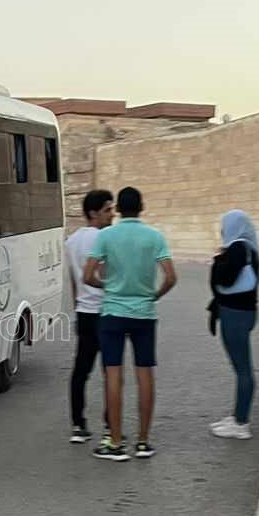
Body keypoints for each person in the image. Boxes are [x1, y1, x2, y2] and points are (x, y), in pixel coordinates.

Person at [83, 186, 177, 461]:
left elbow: (87, 276)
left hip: (112, 312)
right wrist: (154, 295)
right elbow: (171, 277)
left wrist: (108, 286)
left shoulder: (106, 236)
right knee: (145, 374)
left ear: (119, 210)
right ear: (141, 207)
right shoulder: (154, 236)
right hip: (144, 313)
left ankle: (115, 442)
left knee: (113, 375)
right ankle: (143, 442)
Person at [66, 190, 115, 443]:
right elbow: (108, 275)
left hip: (84, 312)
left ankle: (78, 424)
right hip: (105, 311)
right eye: (108, 209)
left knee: (81, 371)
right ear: (94, 212)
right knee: (111, 372)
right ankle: (109, 425)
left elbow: (75, 282)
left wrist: (77, 309)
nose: (112, 214)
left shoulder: (71, 241)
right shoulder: (105, 238)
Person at [209, 210, 259, 440]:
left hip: (235, 315)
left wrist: (218, 258)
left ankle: (241, 423)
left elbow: (224, 279)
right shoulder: (249, 247)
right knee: (242, 368)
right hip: (244, 312)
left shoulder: (238, 248)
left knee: (243, 369)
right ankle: (238, 416)